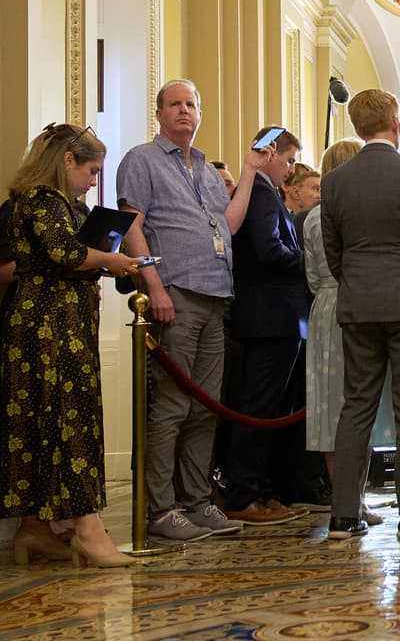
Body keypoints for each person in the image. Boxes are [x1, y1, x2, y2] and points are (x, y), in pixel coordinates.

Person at [118, 79, 266, 542]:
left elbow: (230, 224)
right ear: (159, 114)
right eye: (175, 104)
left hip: (214, 295)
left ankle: (197, 501)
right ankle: (162, 510)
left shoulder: (205, 168)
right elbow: (131, 227)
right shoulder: (141, 160)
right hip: (174, 294)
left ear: (200, 113)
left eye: (191, 104)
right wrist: (153, 285)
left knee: (205, 409)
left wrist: (248, 171)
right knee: (172, 406)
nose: (184, 111)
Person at [1, 124, 143, 568]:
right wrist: (111, 260)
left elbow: (75, 252)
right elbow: (64, 253)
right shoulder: (42, 200)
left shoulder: (66, 204)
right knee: (67, 418)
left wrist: (111, 259)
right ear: (67, 161)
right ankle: (87, 530)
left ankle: (36, 529)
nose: (94, 179)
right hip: (48, 325)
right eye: (92, 170)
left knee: (46, 421)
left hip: (58, 322)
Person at [321, 89, 400, 541]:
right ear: (396, 123)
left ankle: (343, 515)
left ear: (357, 128)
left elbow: (333, 252)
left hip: (357, 303)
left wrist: (356, 283)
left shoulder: (335, 182)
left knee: (356, 404)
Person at [223, 126, 310, 526]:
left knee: (271, 408)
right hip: (268, 317)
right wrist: (309, 264)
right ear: (270, 154)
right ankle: (244, 493)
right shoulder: (258, 192)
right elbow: (269, 250)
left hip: (278, 318)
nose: (291, 170)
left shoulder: (266, 193)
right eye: (289, 160)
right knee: (258, 408)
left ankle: (262, 489)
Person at [303, 140, 380, 523]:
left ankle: (353, 498)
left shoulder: (315, 215)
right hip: (349, 306)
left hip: (326, 308)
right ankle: (350, 499)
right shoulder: (339, 214)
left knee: (342, 407)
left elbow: (312, 275)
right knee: (347, 407)